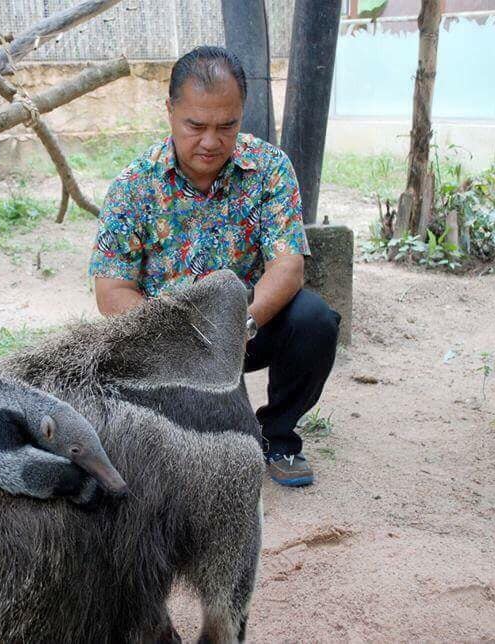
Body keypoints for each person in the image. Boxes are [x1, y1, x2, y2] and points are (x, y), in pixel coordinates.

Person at [88, 46, 340, 487]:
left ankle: (276, 435)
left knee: (314, 321)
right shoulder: (133, 185)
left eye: (227, 125)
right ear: (169, 111)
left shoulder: (269, 169)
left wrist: (237, 324)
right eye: (195, 125)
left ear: (242, 113)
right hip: (168, 340)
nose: (211, 141)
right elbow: (113, 293)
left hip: (246, 328)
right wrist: (177, 332)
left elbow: (288, 265)